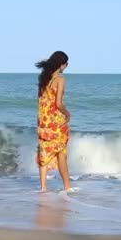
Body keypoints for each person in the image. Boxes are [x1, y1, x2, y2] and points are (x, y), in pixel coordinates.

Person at [35, 51, 71, 192]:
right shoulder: (60, 80)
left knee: (43, 153)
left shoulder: (44, 78)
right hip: (55, 123)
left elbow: (43, 102)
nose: (66, 66)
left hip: (43, 122)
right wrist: (68, 114)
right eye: (66, 64)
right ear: (61, 64)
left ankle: (43, 188)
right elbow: (58, 104)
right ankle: (67, 187)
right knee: (61, 154)